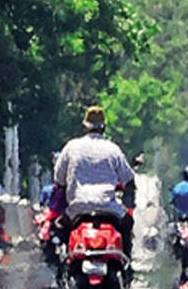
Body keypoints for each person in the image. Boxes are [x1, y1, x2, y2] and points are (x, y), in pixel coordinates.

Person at [52, 107, 137, 269]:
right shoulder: (113, 150)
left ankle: (62, 269)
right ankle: (127, 267)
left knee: (58, 232)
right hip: (109, 209)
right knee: (127, 226)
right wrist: (128, 199)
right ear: (103, 127)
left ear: (85, 126)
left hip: (77, 210)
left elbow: (59, 179)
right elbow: (129, 181)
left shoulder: (71, 147)